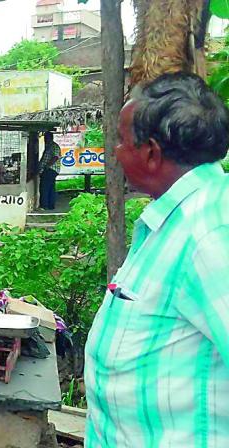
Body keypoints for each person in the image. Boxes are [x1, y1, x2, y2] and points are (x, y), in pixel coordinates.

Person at [84, 72, 229, 447]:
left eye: (119, 139)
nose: (114, 151)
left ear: (150, 153)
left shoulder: (211, 234)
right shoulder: (180, 217)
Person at [38, 131, 61, 209]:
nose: (45, 140)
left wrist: (47, 166)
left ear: (50, 138)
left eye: (46, 138)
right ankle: (50, 205)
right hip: (49, 169)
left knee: (45, 187)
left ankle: (44, 205)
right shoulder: (49, 146)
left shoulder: (54, 146)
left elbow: (55, 157)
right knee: (50, 188)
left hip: (50, 170)